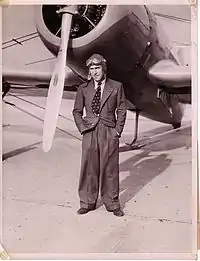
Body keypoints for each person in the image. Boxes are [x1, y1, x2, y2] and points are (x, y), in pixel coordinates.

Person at [73, 54, 127, 217]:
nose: (95, 72)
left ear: (103, 69)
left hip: (109, 130)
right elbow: (76, 111)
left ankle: (112, 203)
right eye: (91, 69)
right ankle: (87, 202)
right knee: (89, 167)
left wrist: (117, 130)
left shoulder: (116, 86)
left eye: (97, 68)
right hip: (89, 131)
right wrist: (82, 128)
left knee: (110, 168)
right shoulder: (83, 89)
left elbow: (122, 109)